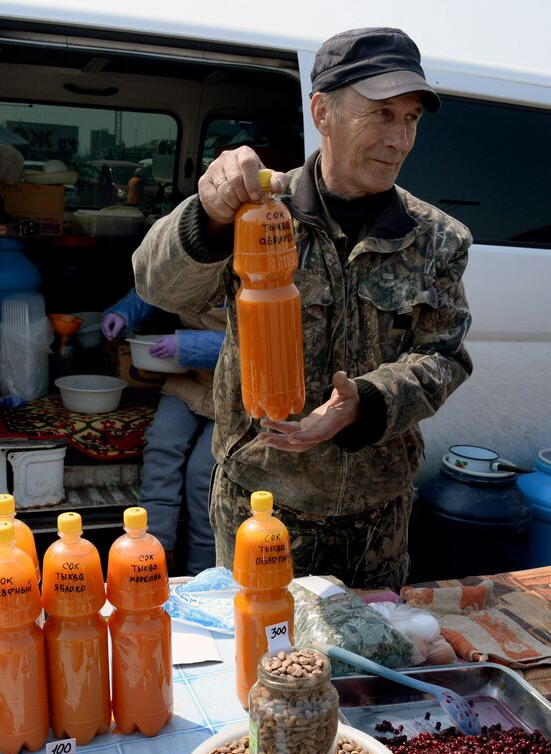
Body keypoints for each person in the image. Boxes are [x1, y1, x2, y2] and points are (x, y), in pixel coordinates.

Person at [133, 26, 473, 590]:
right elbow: (157, 286)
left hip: (375, 523)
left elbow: (444, 357)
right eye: (381, 114)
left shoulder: (437, 238)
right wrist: (209, 214)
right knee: (260, 665)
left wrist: (364, 403)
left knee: (373, 668)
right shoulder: (259, 212)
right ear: (323, 112)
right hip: (261, 509)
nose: (400, 139)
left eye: (410, 118)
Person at [102, 288, 225, 575]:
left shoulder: (255, 264)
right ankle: (154, 560)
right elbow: (158, 282)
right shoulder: (199, 254)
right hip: (190, 377)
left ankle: (201, 575)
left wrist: (186, 346)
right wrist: (124, 312)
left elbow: (255, 343)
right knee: (161, 445)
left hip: (238, 387)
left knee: (202, 474)